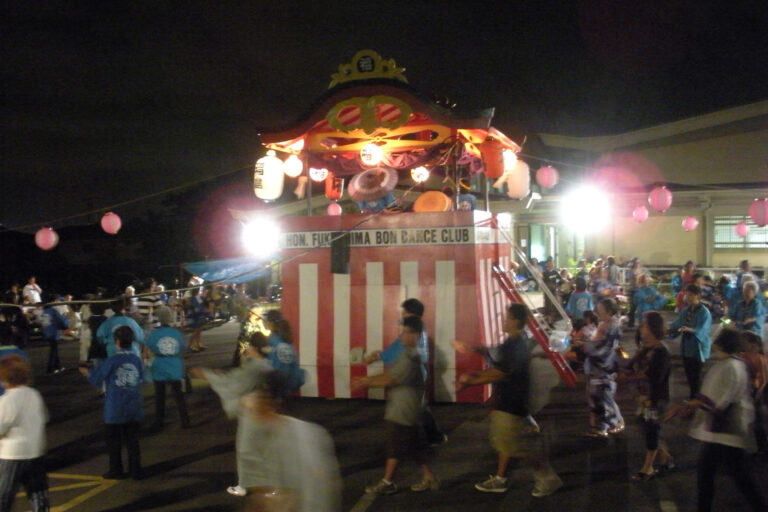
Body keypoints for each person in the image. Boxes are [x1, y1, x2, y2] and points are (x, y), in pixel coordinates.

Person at [453, 303, 563, 497]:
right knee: (505, 442)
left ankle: (547, 476)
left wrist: (471, 381)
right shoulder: (513, 343)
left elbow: (499, 373)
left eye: (507, 317)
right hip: (509, 401)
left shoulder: (515, 345)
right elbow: (496, 362)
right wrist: (474, 370)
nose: (503, 320)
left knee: (513, 446)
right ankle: (500, 478)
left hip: (512, 403)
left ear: (516, 321)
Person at [665, 328, 766, 512]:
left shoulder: (729, 366)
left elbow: (715, 400)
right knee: (719, 476)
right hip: (724, 433)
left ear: (722, 344)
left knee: (732, 478)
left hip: (726, 432)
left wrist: (685, 406)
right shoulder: (733, 363)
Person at [190, 332, 286, 498]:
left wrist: (208, 374)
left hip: (253, 413)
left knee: (246, 450)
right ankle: (273, 485)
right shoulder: (268, 366)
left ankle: (246, 486)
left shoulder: (253, 369)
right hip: (269, 411)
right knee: (267, 450)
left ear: (254, 348)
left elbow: (231, 383)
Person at [355, 316, 439, 495]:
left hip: (403, 410)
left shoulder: (410, 356)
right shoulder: (409, 353)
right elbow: (390, 368)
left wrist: (365, 381)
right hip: (406, 408)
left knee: (394, 446)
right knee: (413, 444)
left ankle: (388, 481)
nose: (402, 335)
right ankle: (428, 476)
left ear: (416, 335)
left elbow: (391, 378)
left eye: (406, 331)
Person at [235, 371, 342, 512]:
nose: (244, 404)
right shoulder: (252, 429)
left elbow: (316, 484)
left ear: (269, 402)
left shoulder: (305, 436)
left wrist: (273, 496)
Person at [363, 298, 446, 445]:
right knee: (418, 407)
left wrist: (376, 358)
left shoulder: (413, 332)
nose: (402, 315)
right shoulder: (419, 330)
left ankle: (416, 439)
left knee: (412, 408)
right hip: (414, 373)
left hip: (409, 373)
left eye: (404, 312)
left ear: (411, 314)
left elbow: (397, 350)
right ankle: (430, 437)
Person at [80, 326, 144, 480]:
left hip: (115, 406)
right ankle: (136, 471)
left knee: (114, 442)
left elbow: (97, 379)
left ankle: (116, 470)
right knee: (132, 440)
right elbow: (141, 377)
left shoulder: (113, 360)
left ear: (117, 341)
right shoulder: (136, 359)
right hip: (133, 404)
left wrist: (87, 372)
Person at [622, 311, 674, 480]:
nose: (641, 327)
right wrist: (626, 368)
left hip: (655, 399)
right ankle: (666, 458)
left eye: (644, 324)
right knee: (646, 428)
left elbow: (655, 377)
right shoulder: (646, 348)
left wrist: (630, 376)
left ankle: (647, 468)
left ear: (652, 328)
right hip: (643, 399)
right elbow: (631, 364)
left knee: (651, 431)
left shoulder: (661, 352)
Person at [0, 354, 50, 512]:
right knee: (38, 494)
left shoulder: (7, 400)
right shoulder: (34, 394)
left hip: (13, 455)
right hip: (36, 451)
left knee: (4, 495)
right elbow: (44, 417)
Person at [583, 298, 624, 437]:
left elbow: (600, 348)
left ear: (609, 312)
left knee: (603, 396)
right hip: (600, 366)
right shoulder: (606, 324)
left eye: (600, 310)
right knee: (600, 396)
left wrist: (585, 346)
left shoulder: (611, 327)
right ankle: (604, 425)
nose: (597, 313)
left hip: (603, 366)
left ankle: (612, 422)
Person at [145, 306, 189, 432]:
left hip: (160, 366)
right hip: (175, 365)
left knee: (160, 396)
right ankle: (185, 419)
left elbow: (150, 347)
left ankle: (159, 421)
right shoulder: (176, 333)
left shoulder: (154, 333)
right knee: (178, 394)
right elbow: (182, 348)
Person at [670, 284, 712, 399]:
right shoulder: (685, 310)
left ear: (698, 295)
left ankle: (696, 398)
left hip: (698, 347)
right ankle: (693, 397)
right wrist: (668, 329)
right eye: (686, 295)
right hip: (687, 346)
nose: (687, 297)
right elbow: (677, 324)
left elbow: (703, 328)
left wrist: (690, 330)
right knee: (689, 374)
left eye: (690, 295)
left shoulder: (704, 312)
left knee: (696, 375)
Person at [261, 310, 304, 393]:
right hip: (290, 379)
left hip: (277, 381)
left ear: (270, 323)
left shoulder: (271, 340)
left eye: (265, 321)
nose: (263, 323)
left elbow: (270, 364)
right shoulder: (286, 337)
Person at [740, 330, 767, 454]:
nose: (741, 344)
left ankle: (763, 448)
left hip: (757, 394)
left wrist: (757, 395)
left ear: (752, 344)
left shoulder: (760, 359)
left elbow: (763, 380)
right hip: (746, 392)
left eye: (744, 342)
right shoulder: (742, 356)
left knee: (758, 422)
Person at [39, 293, 69, 374]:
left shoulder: (44, 311)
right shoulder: (53, 311)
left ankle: (57, 366)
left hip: (47, 332)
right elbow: (61, 321)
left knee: (54, 349)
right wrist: (66, 324)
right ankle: (50, 368)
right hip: (53, 332)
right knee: (53, 350)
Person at [187, 288, 206, 352]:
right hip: (195, 316)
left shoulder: (197, 298)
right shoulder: (193, 299)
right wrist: (202, 310)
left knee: (198, 331)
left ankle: (198, 343)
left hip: (199, 316)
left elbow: (201, 306)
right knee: (195, 331)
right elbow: (195, 308)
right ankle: (191, 345)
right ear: (197, 291)